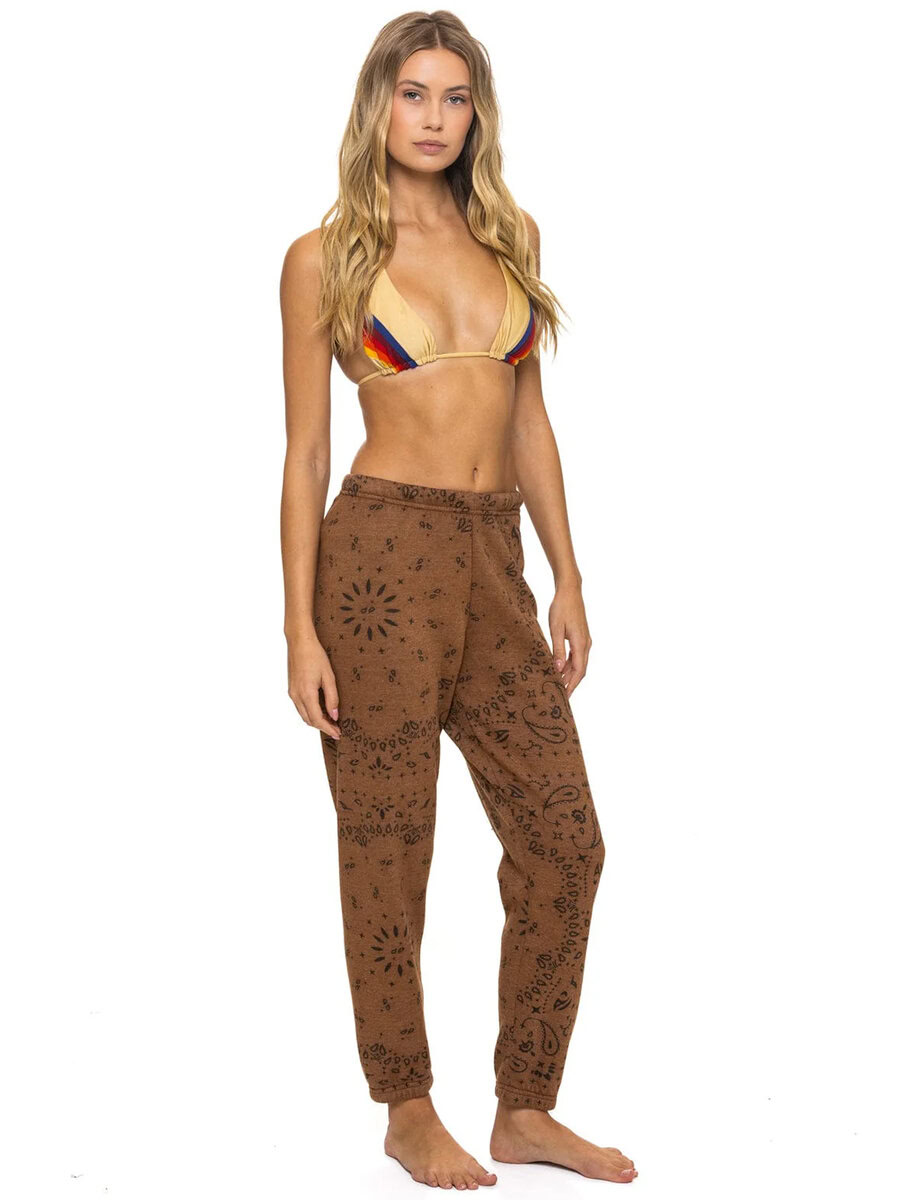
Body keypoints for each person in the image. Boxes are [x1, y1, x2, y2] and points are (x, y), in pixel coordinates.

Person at [279, 11, 637, 1190]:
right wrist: (298, 626)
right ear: (376, 105)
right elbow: (305, 453)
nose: (434, 118)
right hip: (378, 562)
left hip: (497, 561)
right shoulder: (325, 256)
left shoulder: (510, 234)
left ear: (476, 113)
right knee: (388, 845)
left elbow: (529, 419)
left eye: (455, 97)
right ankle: (406, 1107)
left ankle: (525, 1106)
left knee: (565, 842)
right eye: (413, 94)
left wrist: (568, 572)